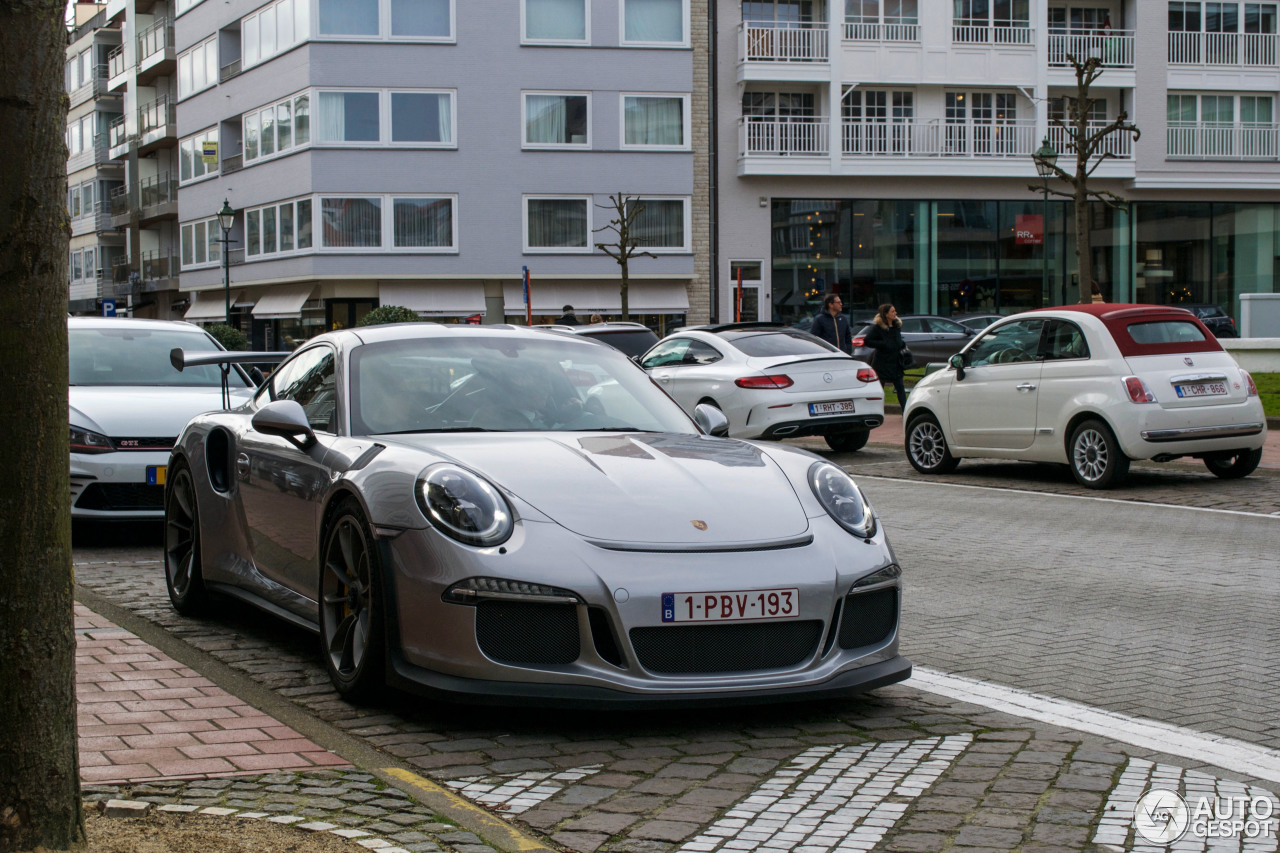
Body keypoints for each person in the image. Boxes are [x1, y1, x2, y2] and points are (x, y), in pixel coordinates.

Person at [865, 303, 908, 406]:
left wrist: (901, 344)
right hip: (882, 363)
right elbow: (868, 341)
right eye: (892, 311)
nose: (895, 313)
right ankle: (876, 409)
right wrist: (883, 344)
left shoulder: (896, 326)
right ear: (886, 314)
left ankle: (905, 411)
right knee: (879, 389)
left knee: (900, 388)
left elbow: (897, 341)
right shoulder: (878, 328)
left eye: (895, 311)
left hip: (895, 362)